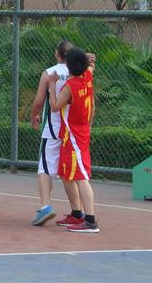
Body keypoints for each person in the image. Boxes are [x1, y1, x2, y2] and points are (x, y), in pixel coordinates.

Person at [29, 40, 80, 226]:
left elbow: (38, 101)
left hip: (52, 129)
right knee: (68, 173)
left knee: (44, 168)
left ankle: (45, 207)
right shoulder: (78, 73)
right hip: (72, 130)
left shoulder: (50, 73)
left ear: (56, 53)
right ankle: (78, 211)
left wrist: (33, 116)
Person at [48, 45, 99, 233]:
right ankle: (77, 213)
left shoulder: (70, 87)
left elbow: (55, 106)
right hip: (75, 134)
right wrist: (85, 58)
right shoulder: (87, 76)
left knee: (81, 177)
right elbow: (91, 64)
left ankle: (91, 221)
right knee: (65, 173)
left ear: (68, 66)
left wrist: (52, 84)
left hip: (74, 137)